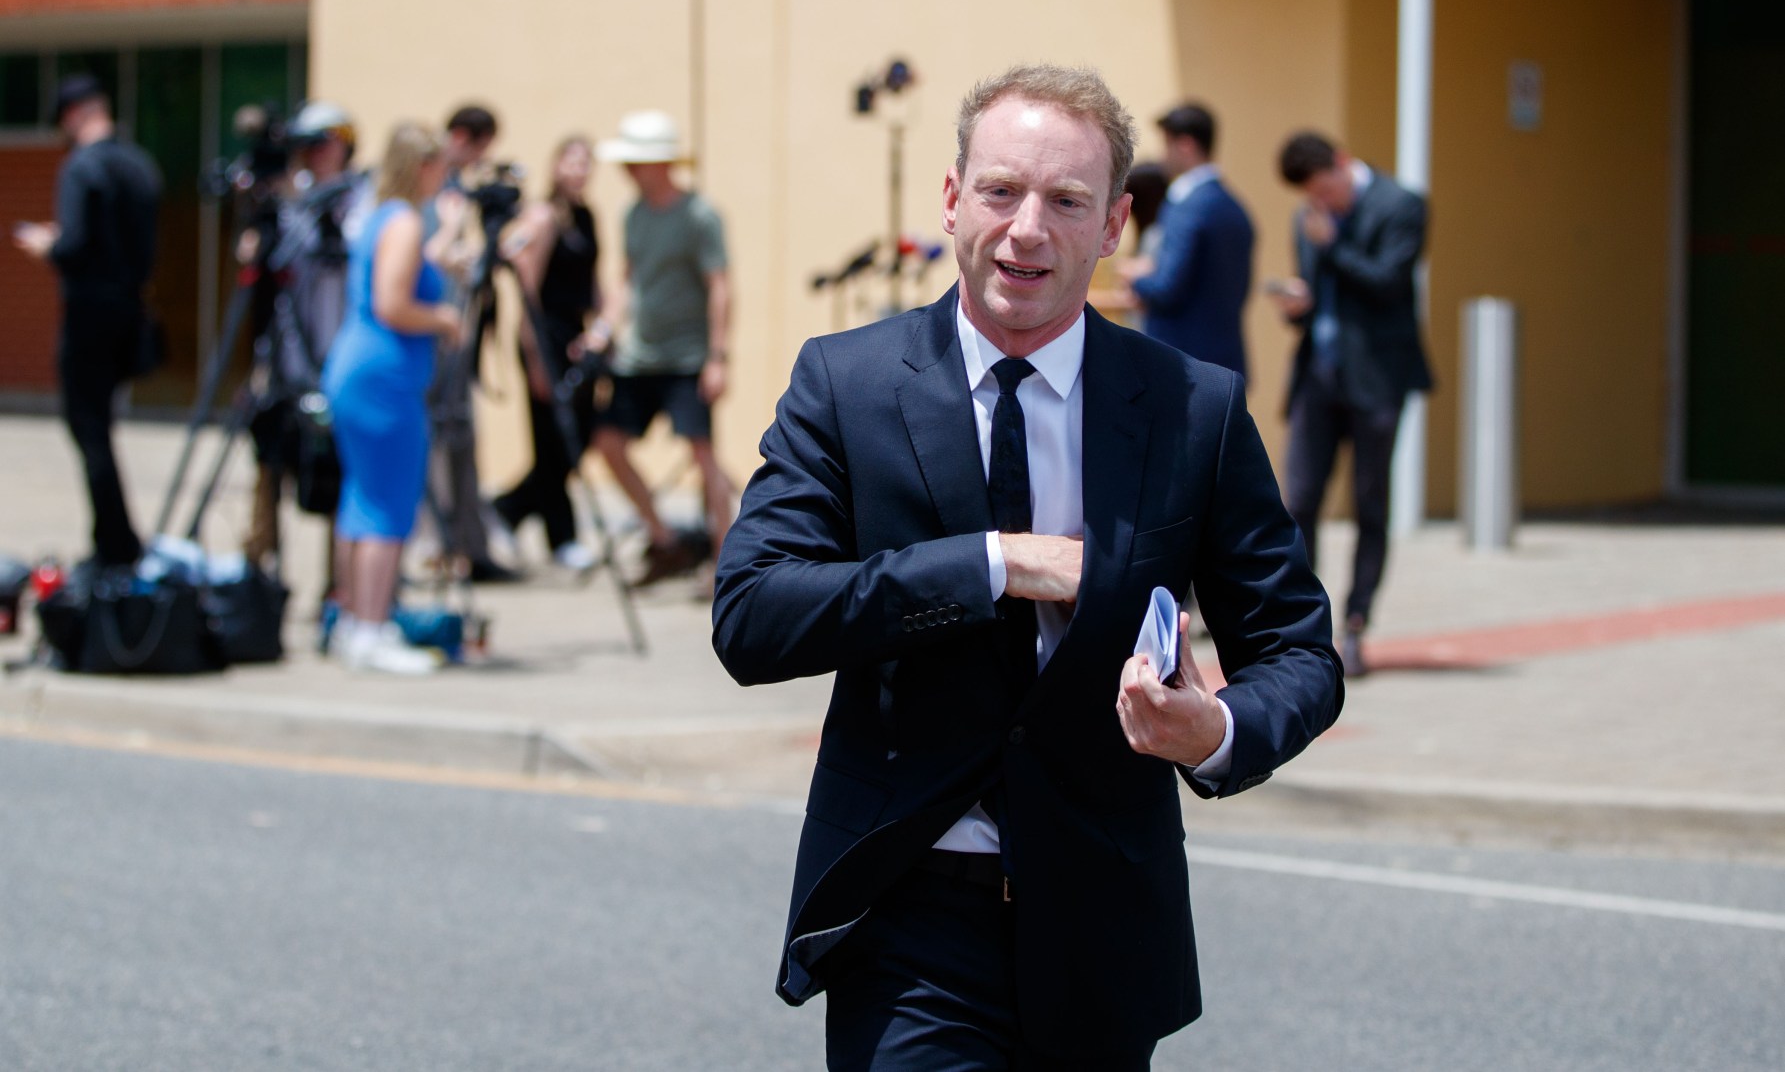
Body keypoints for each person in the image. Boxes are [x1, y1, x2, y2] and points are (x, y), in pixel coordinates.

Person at [712, 64, 1342, 1068]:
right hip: (908, 918)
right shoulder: (847, 383)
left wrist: (1213, 727)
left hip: (1102, 921)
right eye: (1002, 190)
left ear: (1116, 224)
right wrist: (993, 563)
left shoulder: (1194, 408)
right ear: (954, 196)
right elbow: (751, 614)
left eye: (1067, 200)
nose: (1027, 229)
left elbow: (1301, 651)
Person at [1268, 130, 1433, 677]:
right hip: (1318, 374)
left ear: (1342, 163)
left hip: (1377, 379)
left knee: (1369, 504)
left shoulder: (1400, 204)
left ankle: (1357, 624)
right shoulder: (1309, 218)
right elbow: (1321, 295)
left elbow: (1388, 282)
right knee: (1300, 502)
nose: (1322, 202)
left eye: (1325, 189)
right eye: (1311, 196)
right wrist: (1297, 306)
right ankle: (1302, 628)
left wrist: (1333, 244)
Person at [321, 122, 462, 676]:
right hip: (385, 380)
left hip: (357, 372)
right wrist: (445, 317)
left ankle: (354, 623)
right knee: (388, 506)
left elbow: (411, 267)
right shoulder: (403, 220)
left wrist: (446, 239)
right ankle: (375, 629)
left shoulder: (385, 217)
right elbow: (392, 303)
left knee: (360, 501)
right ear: (422, 166)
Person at [12, 75, 161, 569]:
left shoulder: (82, 168)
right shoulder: (140, 165)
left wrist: (46, 244)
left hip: (89, 317)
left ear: (74, 115)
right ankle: (117, 539)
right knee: (102, 428)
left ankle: (116, 545)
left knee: (89, 430)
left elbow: (74, 246)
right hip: (129, 311)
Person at [593, 110, 735, 588]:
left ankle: (725, 561)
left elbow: (720, 285)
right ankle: (664, 538)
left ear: (661, 163)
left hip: (687, 358)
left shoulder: (699, 216)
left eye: (637, 161)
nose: (629, 170)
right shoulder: (632, 214)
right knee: (608, 444)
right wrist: (603, 328)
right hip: (638, 356)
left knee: (702, 455)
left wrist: (717, 357)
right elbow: (628, 280)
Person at [243, 100, 366, 569]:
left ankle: (338, 588)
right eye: (306, 146)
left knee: (337, 481)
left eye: (323, 144)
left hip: (338, 363)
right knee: (269, 468)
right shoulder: (286, 206)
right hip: (285, 361)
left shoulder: (359, 203)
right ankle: (260, 579)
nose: (314, 155)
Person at [492, 135, 603, 573]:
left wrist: (600, 330)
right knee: (553, 439)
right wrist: (536, 358)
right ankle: (562, 536)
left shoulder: (586, 216)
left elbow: (591, 282)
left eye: (586, 162)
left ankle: (508, 507)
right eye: (571, 161)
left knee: (578, 438)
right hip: (545, 339)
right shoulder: (542, 217)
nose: (578, 170)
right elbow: (528, 294)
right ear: (556, 165)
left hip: (577, 338)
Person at [421, 103, 520, 583]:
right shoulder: (436, 184)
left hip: (449, 328)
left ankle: (467, 546)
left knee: (459, 438)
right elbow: (434, 253)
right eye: (481, 147)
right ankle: (444, 545)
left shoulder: (452, 186)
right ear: (464, 137)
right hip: (431, 331)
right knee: (438, 440)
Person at [1118, 102, 1255, 380]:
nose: (1162, 156)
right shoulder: (1236, 208)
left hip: (1182, 365)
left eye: (1166, 145)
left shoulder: (1186, 205)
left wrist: (1135, 276)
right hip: (1225, 362)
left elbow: (1166, 288)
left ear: (1185, 146)